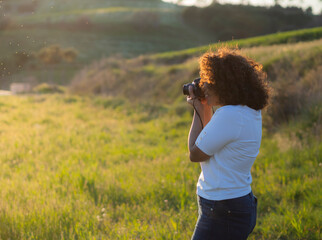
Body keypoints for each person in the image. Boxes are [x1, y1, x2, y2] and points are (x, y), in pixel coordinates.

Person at [187, 47, 270, 240]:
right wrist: (205, 105)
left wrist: (199, 109)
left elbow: (196, 153)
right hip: (233, 205)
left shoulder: (230, 115)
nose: (204, 85)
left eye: (210, 80)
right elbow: (209, 141)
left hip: (223, 210)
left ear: (225, 85)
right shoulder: (246, 111)